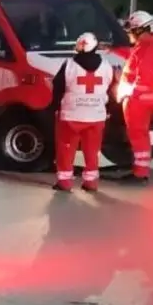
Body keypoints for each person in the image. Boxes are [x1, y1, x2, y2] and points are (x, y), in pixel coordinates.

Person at [52, 32, 113, 193]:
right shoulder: (107, 66)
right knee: (92, 150)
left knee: (66, 149)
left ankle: (64, 182)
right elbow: (112, 88)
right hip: (96, 116)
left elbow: (57, 88)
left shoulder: (69, 65)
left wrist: (55, 108)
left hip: (71, 116)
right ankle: (91, 183)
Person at [117, 10, 153, 184]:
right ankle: (139, 170)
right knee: (138, 135)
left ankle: (140, 173)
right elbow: (131, 56)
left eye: (131, 31)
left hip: (139, 100)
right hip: (138, 99)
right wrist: (113, 49)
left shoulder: (149, 48)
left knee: (138, 135)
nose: (129, 34)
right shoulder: (145, 46)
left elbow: (144, 77)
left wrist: (130, 92)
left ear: (138, 30)